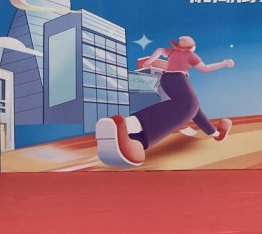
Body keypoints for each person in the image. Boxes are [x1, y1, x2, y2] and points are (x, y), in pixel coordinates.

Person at [95, 35, 235, 167]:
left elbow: (159, 50)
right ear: (192, 48)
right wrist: (223, 63)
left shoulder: (172, 52)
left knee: (193, 108)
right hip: (178, 78)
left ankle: (216, 134)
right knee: (190, 105)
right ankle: (129, 128)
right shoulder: (190, 55)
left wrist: (149, 61)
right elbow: (205, 69)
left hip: (166, 80)